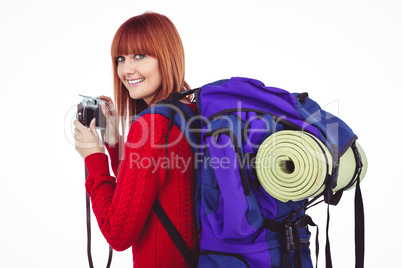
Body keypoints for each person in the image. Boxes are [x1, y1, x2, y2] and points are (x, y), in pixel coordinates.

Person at [74, 12, 198, 268]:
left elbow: (118, 234)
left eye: (139, 56)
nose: (126, 70)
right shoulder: (190, 109)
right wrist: (115, 143)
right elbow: (145, 188)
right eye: (120, 58)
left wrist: (94, 159)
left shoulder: (153, 124)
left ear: (166, 57)